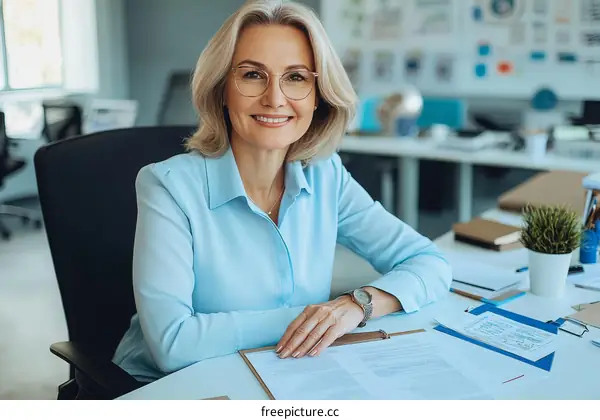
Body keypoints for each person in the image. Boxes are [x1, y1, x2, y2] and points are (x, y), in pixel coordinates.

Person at [112, 0, 452, 383]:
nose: (275, 98)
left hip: (282, 374)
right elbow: (171, 344)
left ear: (318, 95)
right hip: (175, 388)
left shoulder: (326, 175)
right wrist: (311, 317)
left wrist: (358, 305)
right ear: (222, 88)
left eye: (296, 78)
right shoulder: (168, 186)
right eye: (253, 75)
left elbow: (429, 262)